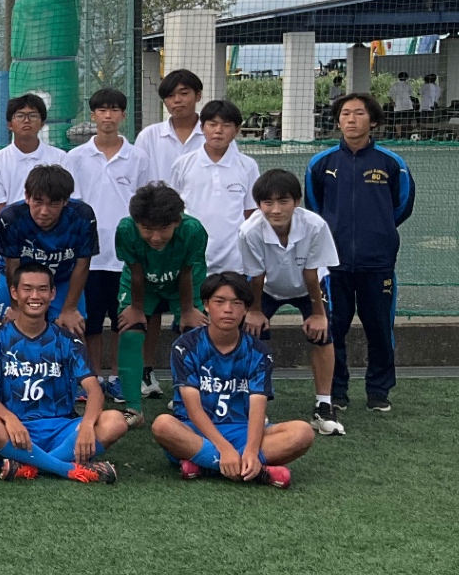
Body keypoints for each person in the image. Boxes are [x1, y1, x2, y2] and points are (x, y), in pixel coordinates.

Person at [150, 272, 314, 487]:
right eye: (220, 302)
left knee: (303, 432)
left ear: (246, 309)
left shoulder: (259, 351)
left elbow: (258, 407)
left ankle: (207, 464)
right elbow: (193, 408)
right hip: (196, 431)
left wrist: (252, 451)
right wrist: (224, 449)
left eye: (237, 303)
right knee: (163, 425)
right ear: (207, 305)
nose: (228, 310)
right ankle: (252, 470)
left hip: (240, 430)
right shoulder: (185, 346)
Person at [305, 92, 414, 413]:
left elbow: (402, 205)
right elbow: (314, 209)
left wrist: (378, 230)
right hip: (333, 264)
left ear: (373, 121)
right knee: (333, 328)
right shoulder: (320, 163)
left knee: (379, 328)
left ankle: (379, 392)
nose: (351, 120)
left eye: (358, 114)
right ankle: (336, 391)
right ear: (337, 121)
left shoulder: (392, 163)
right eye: (345, 114)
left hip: (377, 263)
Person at [0, 259, 127, 483]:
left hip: (63, 429)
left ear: (53, 293)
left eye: (42, 289)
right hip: (16, 430)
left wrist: (86, 423)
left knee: (116, 420)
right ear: (14, 292)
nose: (35, 296)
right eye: (27, 289)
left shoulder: (68, 340)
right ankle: (66, 468)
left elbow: (94, 391)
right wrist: (9, 418)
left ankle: (29, 466)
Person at [240, 169, 345, 437]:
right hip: (268, 288)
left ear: (297, 202)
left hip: (308, 286)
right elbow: (256, 274)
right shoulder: (249, 231)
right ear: (259, 204)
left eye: (283, 201)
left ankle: (324, 405)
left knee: (323, 335)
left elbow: (312, 274)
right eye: (267, 203)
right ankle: (255, 404)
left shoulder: (315, 225)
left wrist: (318, 315)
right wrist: (253, 310)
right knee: (251, 335)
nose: (276, 210)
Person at [63, 88, 142, 398]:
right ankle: (92, 377)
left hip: (125, 258)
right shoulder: (75, 158)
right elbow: (70, 206)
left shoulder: (138, 157)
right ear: (93, 115)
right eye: (102, 110)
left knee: (122, 321)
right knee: (91, 324)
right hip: (89, 259)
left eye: (114, 110)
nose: (108, 116)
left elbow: (144, 205)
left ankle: (118, 378)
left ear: (123, 115)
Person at [113, 182, 208, 410]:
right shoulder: (126, 230)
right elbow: (135, 271)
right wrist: (136, 308)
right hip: (142, 280)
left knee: (194, 333)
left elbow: (186, 272)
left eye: (163, 229)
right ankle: (132, 408)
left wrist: (187, 310)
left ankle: (185, 401)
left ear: (177, 221)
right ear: (136, 223)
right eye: (147, 229)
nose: (155, 237)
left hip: (183, 281)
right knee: (130, 332)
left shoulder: (193, 230)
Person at [0, 164, 96, 332]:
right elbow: (12, 264)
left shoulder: (82, 217)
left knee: (72, 329)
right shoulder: (10, 218)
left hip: (63, 278)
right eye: (38, 202)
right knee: (16, 329)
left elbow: (83, 264)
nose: (44, 211)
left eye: (53, 204)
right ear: (27, 197)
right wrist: (16, 307)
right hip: (19, 279)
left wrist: (69, 309)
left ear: (65, 201)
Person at [169, 99, 259, 275]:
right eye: (212, 124)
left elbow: (251, 213)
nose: (218, 131)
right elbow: (173, 210)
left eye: (226, 125)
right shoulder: (183, 164)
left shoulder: (248, 166)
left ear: (237, 130)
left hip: (235, 261)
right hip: (191, 258)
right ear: (202, 128)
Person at [0, 93, 69, 215]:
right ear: (9, 124)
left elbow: (66, 201)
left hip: (52, 230)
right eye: (20, 116)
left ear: (42, 123)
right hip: (13, 230)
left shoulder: (60, 158)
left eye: (33, 116)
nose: (26, 121)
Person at [136, 69, 206, 186]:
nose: (177, 100)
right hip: (160, 203)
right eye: (170, 95)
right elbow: (137, 178)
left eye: (184, 93)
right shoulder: (149, 136)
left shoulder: (214, 134)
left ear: (198, 96)